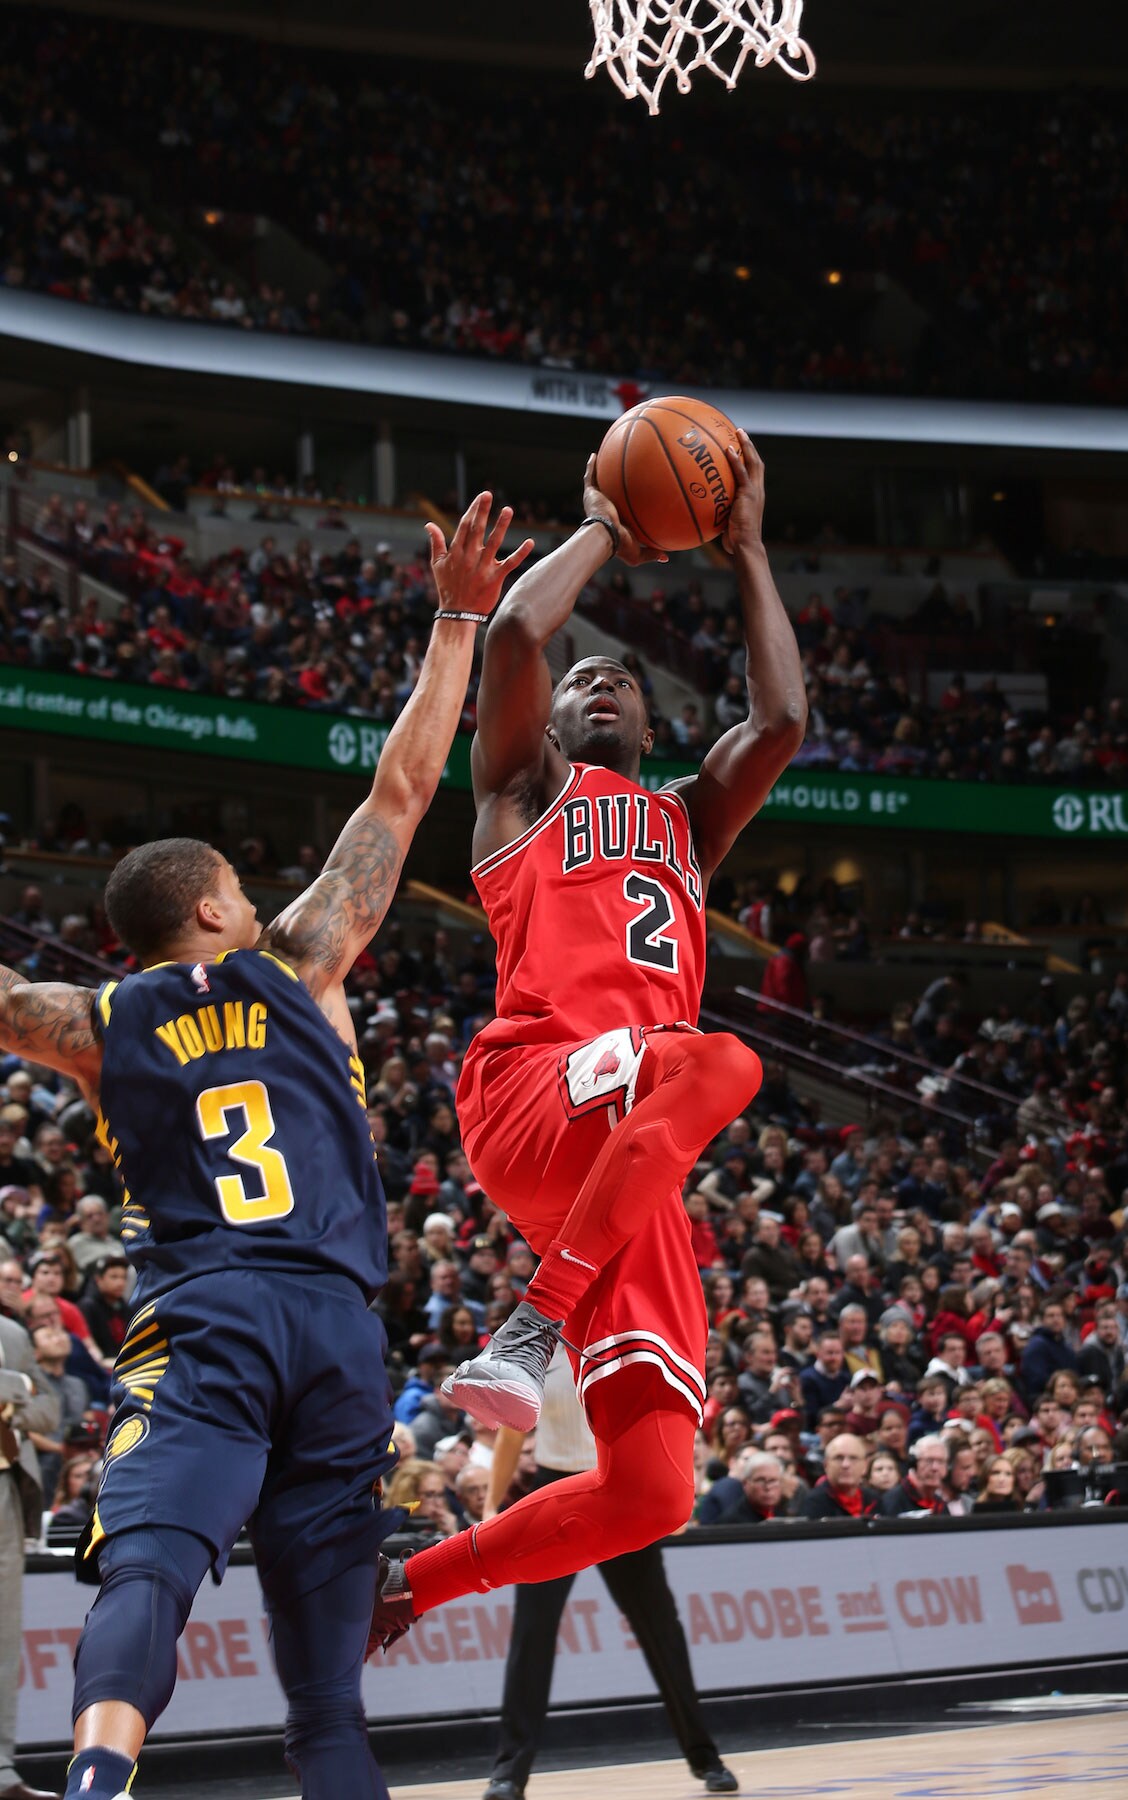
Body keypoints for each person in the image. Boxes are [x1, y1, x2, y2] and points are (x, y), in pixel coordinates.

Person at [0, 495, 533, 1800]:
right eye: (235, 878)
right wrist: (458, 617)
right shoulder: (305, 956)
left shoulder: (97, 1020)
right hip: (339, 1328)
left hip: (207, 1317)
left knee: (148, 1565)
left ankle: (97, 1779)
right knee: (322, 1687)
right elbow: (404, 788)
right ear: (211, 907)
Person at [371, 438, 806, 1643]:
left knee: (658, 1487)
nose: (598, 681)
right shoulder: (521, 790)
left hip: (629, 1162)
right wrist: (612, 524)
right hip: (534, 1095)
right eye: (582, 682)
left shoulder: (685, 822)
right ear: (550, 722)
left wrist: (750, 548)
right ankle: (533, 1325)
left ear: (654, 724)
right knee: (721, 1059)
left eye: (622, 681)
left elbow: (778, 721)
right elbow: (513, 635)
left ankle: (407, 1587)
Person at [480, 1352, 736, 1800]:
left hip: (622, 1492)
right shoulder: (542, 1339)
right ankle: (509, 1772)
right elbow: (511, 1429)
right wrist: (490, 1504)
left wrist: (676, 1492)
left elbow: (670, 1415)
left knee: (661, 1630)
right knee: (532, 1633)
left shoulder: (626, 1333)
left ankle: (705, 1756)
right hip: (554, 1494)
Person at [2, 1308, 63, 1800]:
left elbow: (51, 1412)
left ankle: (2, 1771)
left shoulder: (11, 1334)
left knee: (2, 1636)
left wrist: (10, 1402)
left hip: (5, 1490)